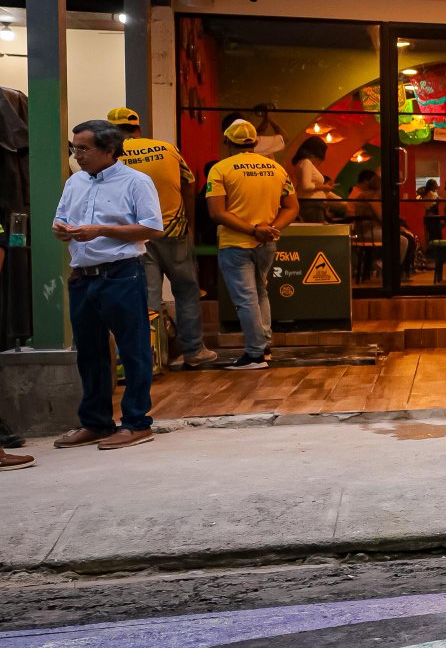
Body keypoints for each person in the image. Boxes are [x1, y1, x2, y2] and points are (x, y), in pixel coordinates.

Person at [51, 120, 164, 450]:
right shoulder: (75, 183)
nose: (77, 155)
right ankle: (96, 422)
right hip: (82, 276)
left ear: (110, 150)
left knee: (133, 349)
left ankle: (136, 422)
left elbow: (152, 229)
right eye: (74, 148)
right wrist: (61, 230)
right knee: (89, 352)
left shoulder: (136, 182)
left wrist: (100, 230)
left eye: (84, 148)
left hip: (121, 272)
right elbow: (62, 220)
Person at [105, 106, 214, 371]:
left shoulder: (112, 157)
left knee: (148, 296)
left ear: (111, 131)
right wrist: (188, 222)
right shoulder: (167, 149)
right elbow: (189, 183)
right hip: (173, 230)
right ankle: (193, 352)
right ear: (138, 128)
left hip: (138, 234)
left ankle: (151, 359)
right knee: (186, 291)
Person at [203, 118, 297, 371]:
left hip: (236, 243)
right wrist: (270, 229)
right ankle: (264, 347)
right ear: (255, 142)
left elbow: (217, 212)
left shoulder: (220, 169)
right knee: (261, 292)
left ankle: (254, 355)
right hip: (267, 243)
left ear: (227, 142)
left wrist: (253, 230)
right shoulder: (276, 168)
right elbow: (292, 207)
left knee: (246, 298)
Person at [290, 135, 334, 223]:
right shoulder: (306, 163)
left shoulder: (300, 163)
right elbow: (306, 186)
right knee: (317, 233)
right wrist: (323, 187)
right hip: (311, 204)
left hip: (309, 203)